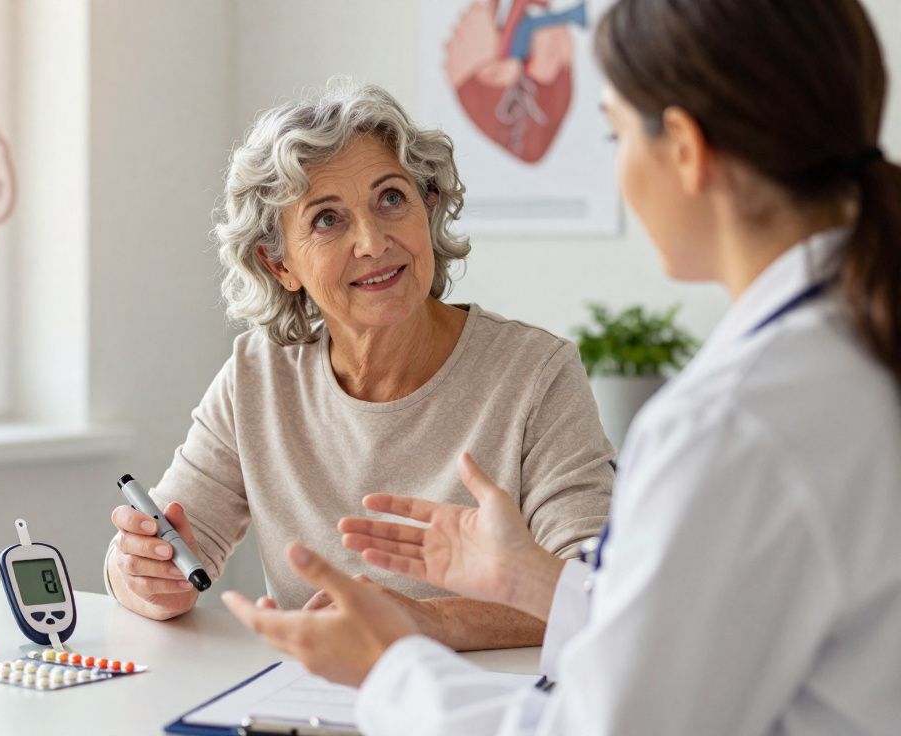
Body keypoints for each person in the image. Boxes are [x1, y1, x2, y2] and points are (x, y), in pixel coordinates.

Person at [222, 0, 901, 733]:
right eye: (328, 218)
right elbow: (699, 640)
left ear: (683, 148)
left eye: (615, 134)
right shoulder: (847, 351)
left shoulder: (729, 425)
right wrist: (534, 580)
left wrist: (390, 665)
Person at [104, 81, 615, 651]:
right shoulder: (257, 375)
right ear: (279, 264)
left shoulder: (536, 373)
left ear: (428, 208)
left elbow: (600, 592)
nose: (372, 241)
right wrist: (142, 573)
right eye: (327, 219)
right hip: (313, 691)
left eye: (391, 198)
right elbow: (169, 545)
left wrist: (429, 622)